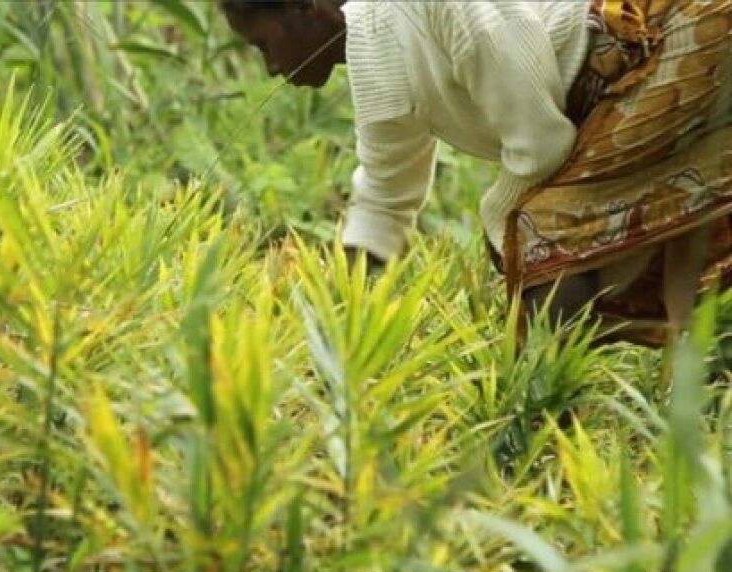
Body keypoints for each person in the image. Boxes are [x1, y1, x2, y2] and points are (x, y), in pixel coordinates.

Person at [222, 0, 732, 345]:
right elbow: (383, 201)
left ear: (302, 8)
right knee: (551, 243)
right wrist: (332, 322)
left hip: (677, 33)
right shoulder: (377, 72)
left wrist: (501, 219)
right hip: (635, 81)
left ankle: (529, 432)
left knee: (539, 239)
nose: (270, 69)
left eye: (262, 45)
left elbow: (540, 142)